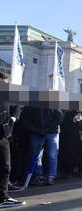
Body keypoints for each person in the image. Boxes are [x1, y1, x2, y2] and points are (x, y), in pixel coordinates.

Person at [21, 105, 63, 185]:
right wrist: (37, 130)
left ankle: (51, 176)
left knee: (52, 155)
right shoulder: (30, 106)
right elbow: (25, 121)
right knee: (36, 156)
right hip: (36, 133)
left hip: (51, 133)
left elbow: (59, 118)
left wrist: (47, 128)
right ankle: (38, 176)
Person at [0, 72, 25, 207]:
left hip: (3, 135)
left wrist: (14, 117)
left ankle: (3, 196)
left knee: (5, 166)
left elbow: (17, 107)